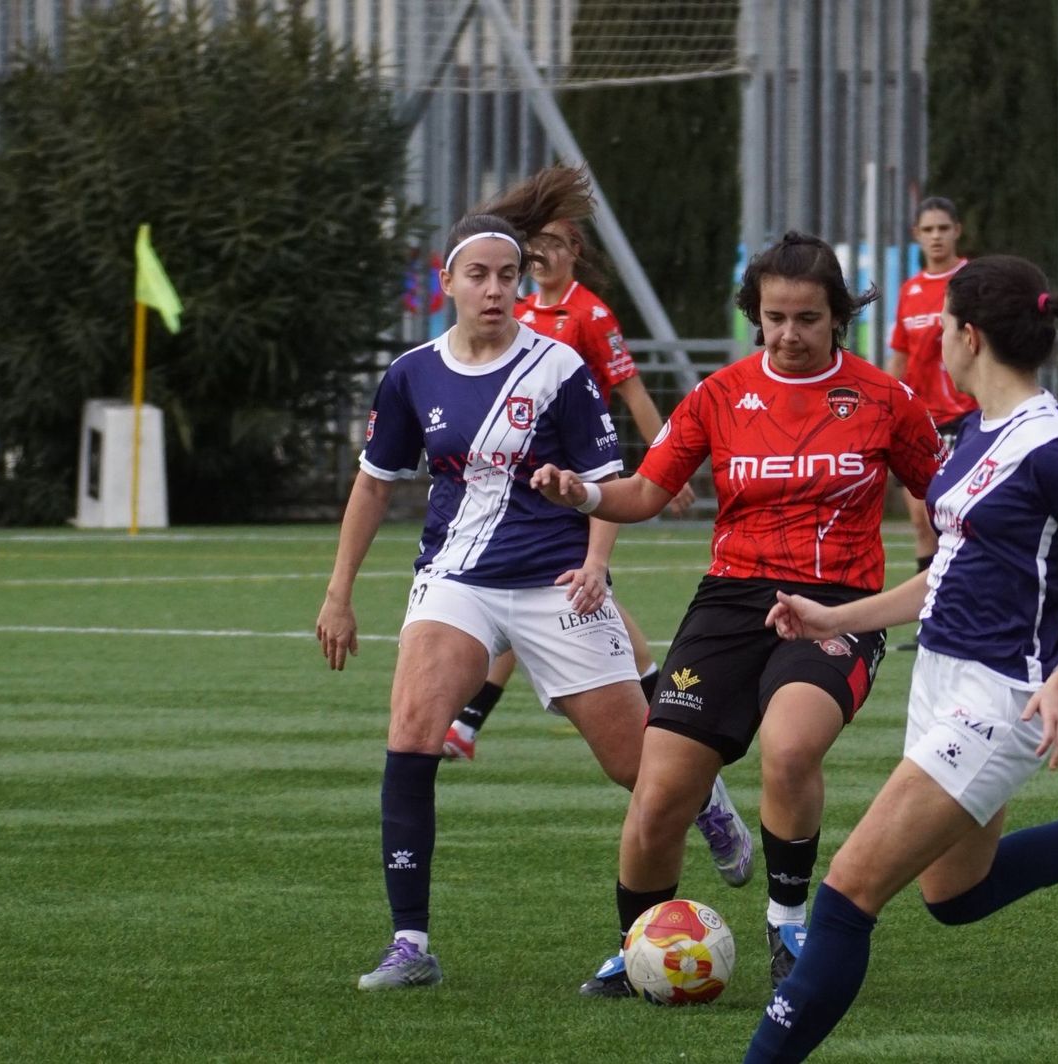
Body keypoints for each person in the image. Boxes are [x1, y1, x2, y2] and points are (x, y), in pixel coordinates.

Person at [742, 255, 1058, 1062]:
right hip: (940, 679)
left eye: (940, 327)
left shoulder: (1050, 444)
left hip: (1001, 697)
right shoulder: (977, 430)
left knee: (845, 898)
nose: (933, 339)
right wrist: (835, 615)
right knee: (955, 894)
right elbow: (945, 575)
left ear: (969, 336)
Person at [313, 164, 752, 993]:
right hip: (457, 580)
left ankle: (708, 804)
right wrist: (339, 592)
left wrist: (595, 566)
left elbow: (606, 481)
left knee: (639, 767)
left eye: (507, 276)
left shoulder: (557, 368)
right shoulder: (412, 373)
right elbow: (375, 483)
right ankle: (410, 943)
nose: (494, 289)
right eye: (477, 275)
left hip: (556, 582)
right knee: (411, 732)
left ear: (523, 281)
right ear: (445, 282)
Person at [529, 231, 948, 996]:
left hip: (837, 604)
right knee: (661, 794)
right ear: (755, 315)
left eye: (807, 319)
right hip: (730, 600)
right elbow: (647, 492)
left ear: (836, 319)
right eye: (774, 317)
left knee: (790, 748)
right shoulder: (719, 396)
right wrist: (584, 493)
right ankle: (639, 945)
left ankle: (788, 924)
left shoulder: (885, 400)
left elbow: (950, 494)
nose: (788, 334)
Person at [441, 214, 696, 764]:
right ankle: (468, 724)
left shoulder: (590, 314)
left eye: (553, 246)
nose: (542, 259)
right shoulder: (518, 311)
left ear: (574, 251)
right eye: (534, 250)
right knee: (522, 602)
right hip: (518, 494)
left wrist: (664, 466)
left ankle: (668, 737)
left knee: (580, 599)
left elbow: (630, 390)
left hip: (578, 492)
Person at [888, 197, 975, 608]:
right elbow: (901, 355)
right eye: (928, 230)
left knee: (956, 518)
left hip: (966, 418)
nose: (936, 237)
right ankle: (929, 612)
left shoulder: (971, 280)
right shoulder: (910, 290)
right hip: (920, 422)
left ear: (957, 230)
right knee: (921, 520)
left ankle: (964, 601)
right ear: (916, 236)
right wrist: (883, 402)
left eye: (943, 228)